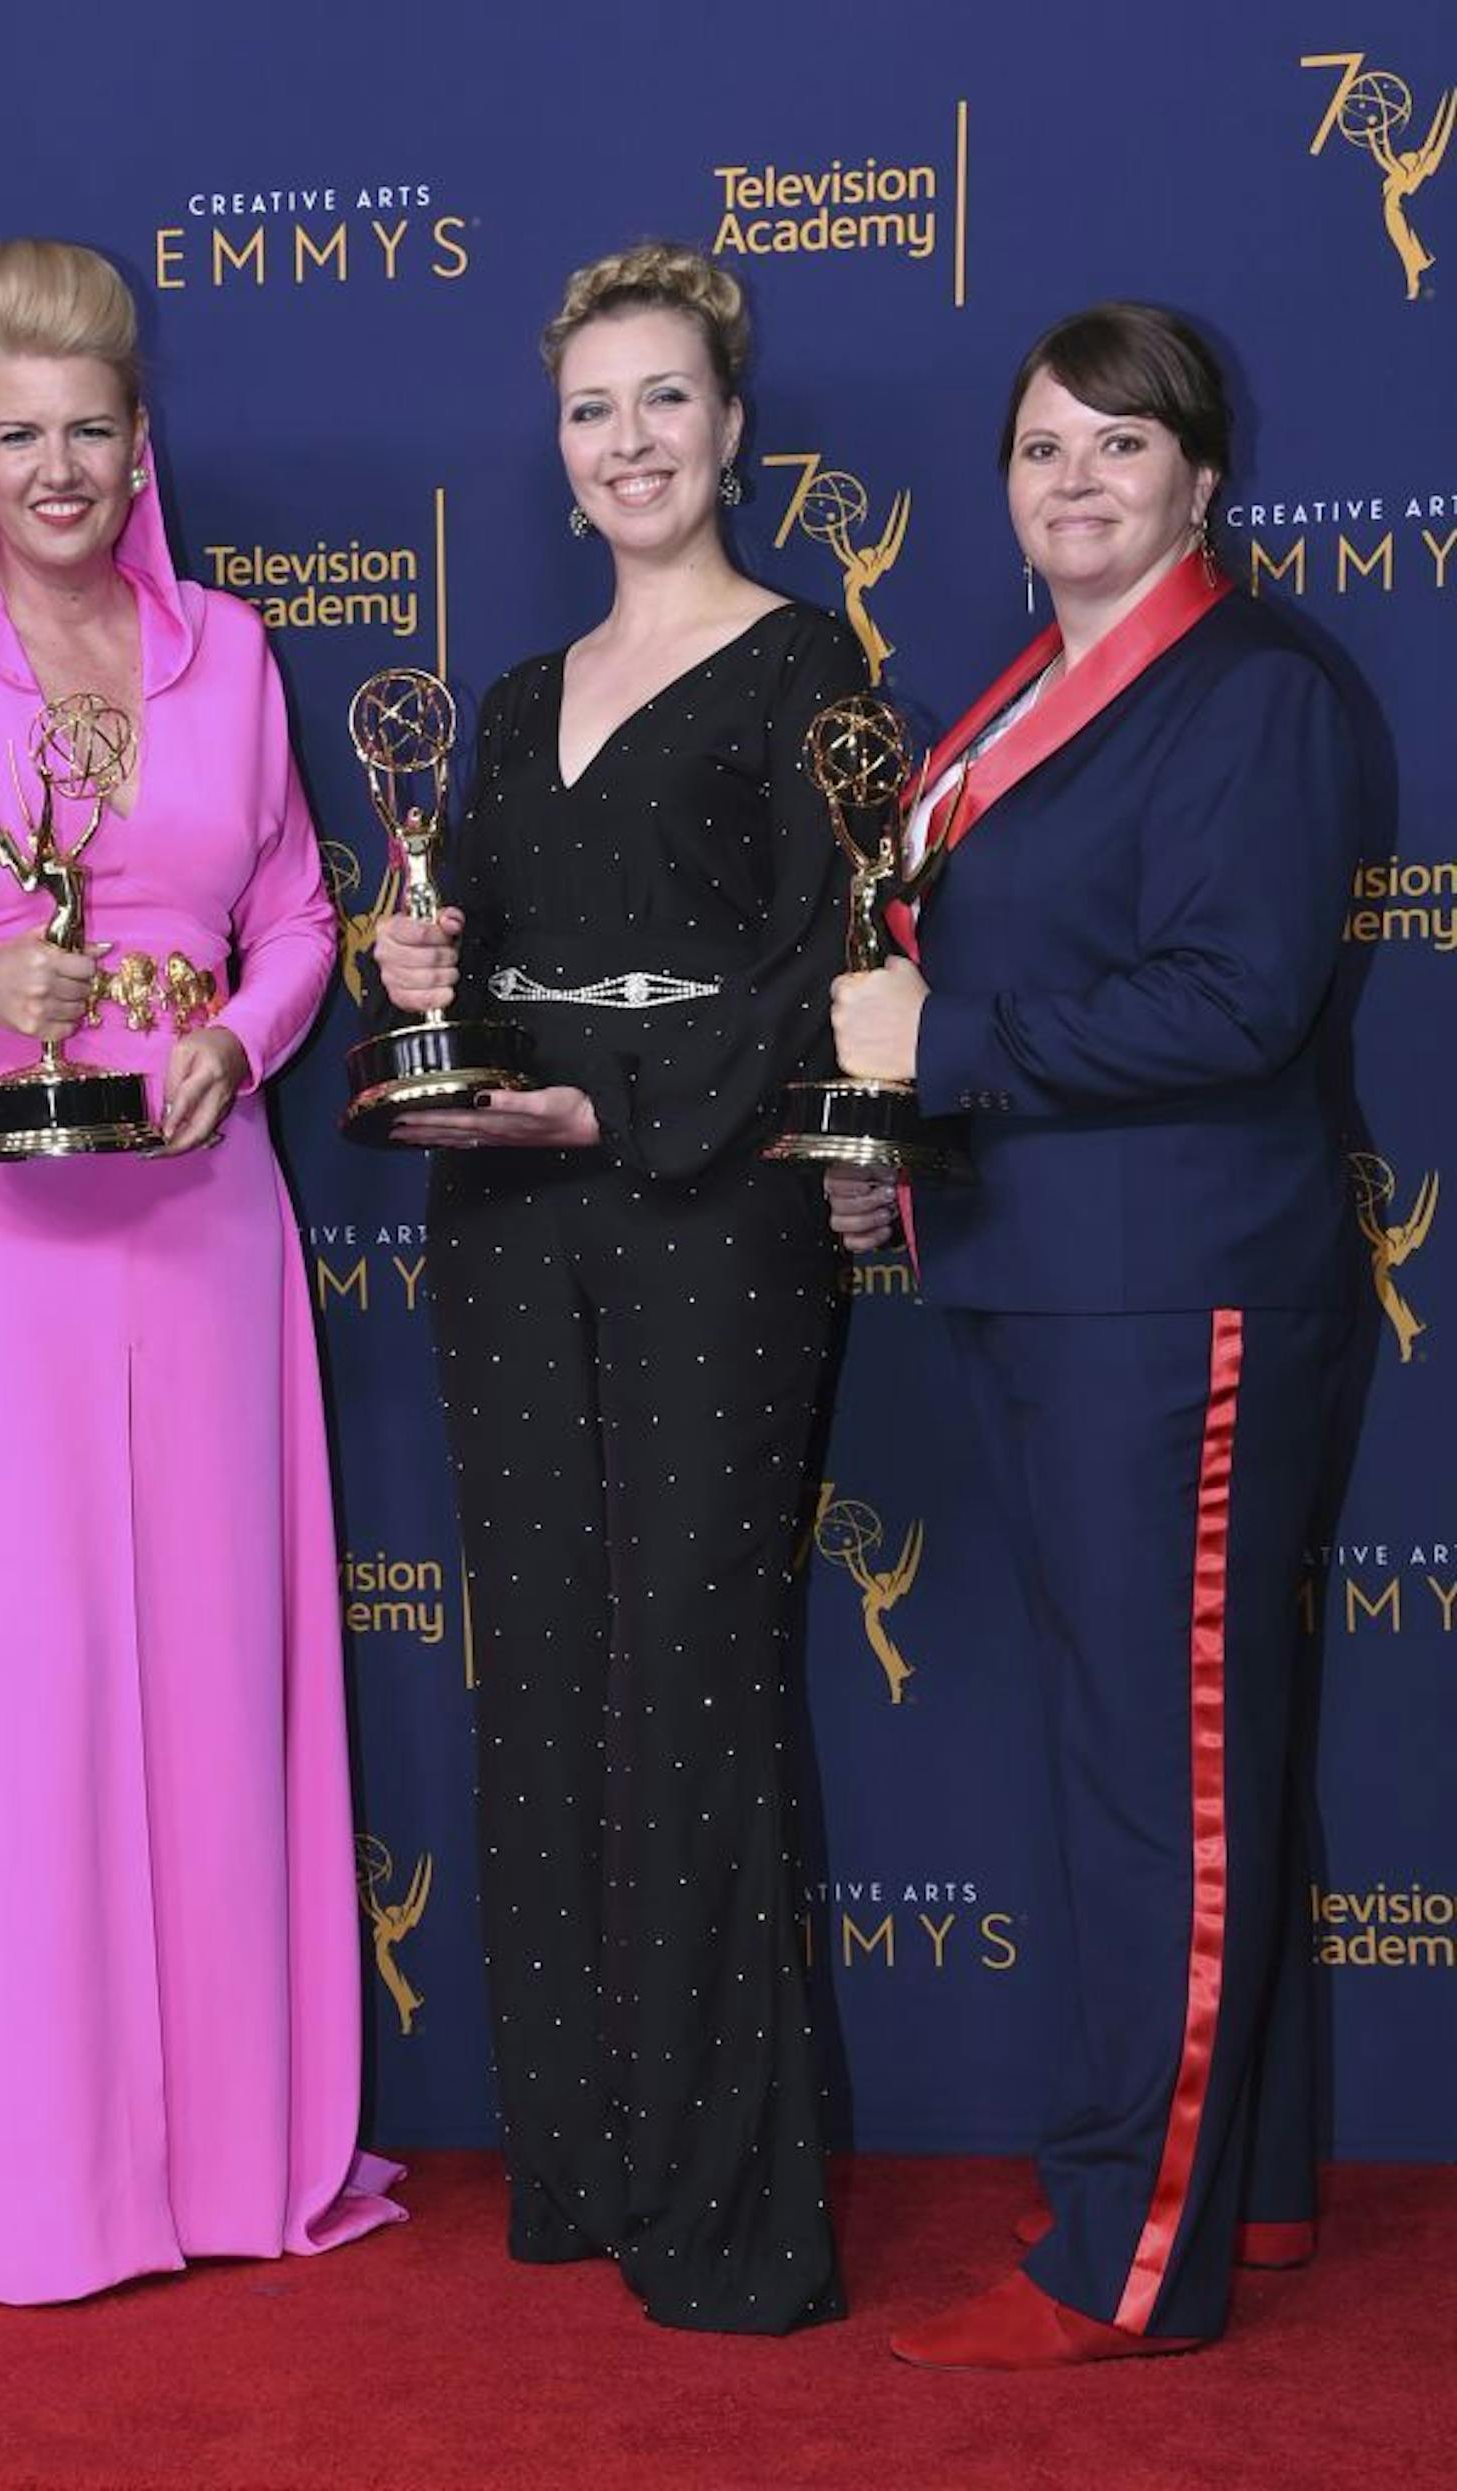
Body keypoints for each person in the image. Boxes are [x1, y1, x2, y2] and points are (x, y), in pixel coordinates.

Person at [0, 238, 403, 2306]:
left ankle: (225, 2159)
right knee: (19, 1692)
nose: (60, 469)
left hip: (205, 1220)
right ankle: (26, 2170)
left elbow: (302, 911)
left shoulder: (229, 651)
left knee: (212, 1674)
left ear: (148, 443)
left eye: (93, 431)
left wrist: (248, 1030)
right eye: (19, 434)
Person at [826, 302, 1361, 2369]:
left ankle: (1127, 2255)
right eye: (1041, 448)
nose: (1072, 481)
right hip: (1053, 1283)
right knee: (1180, 1769)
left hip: (1180, 1298)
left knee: (1169, 1790)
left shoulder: (1256, 693)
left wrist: (944, 1045)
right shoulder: (1034, 696)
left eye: (1117, 449)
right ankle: (1264, 2193)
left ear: (1202, 482)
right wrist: (898, 1129)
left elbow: (1238, 1005)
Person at [373, 242, 860, 2333]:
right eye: (594, 411)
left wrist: (616, 1104)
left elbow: (825, 973)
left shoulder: (806, 666)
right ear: (558, 455)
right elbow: (486, 970)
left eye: (667, 400)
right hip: (509, 1225)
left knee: (691, 1678)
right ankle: (577, 2158)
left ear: (733, 429)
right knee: (550, 1675)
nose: (631, 442)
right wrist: (425, 981)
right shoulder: (501, 700)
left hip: (707, 1215)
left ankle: (727, 2203)